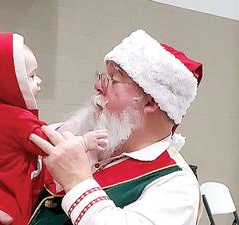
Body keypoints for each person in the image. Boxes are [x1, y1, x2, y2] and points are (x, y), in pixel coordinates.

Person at [28, 29, 203, 225]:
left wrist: (77, 181)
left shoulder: (177, 186)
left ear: (151, 102)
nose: (98, 86)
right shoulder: (88, 133)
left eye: (113, 80)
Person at [0, 23, 107, 225]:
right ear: (9, 83)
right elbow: (54, 147)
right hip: (13, 195)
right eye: (32, 76)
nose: (39, 81)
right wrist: (84, 142)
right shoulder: (18, 119)